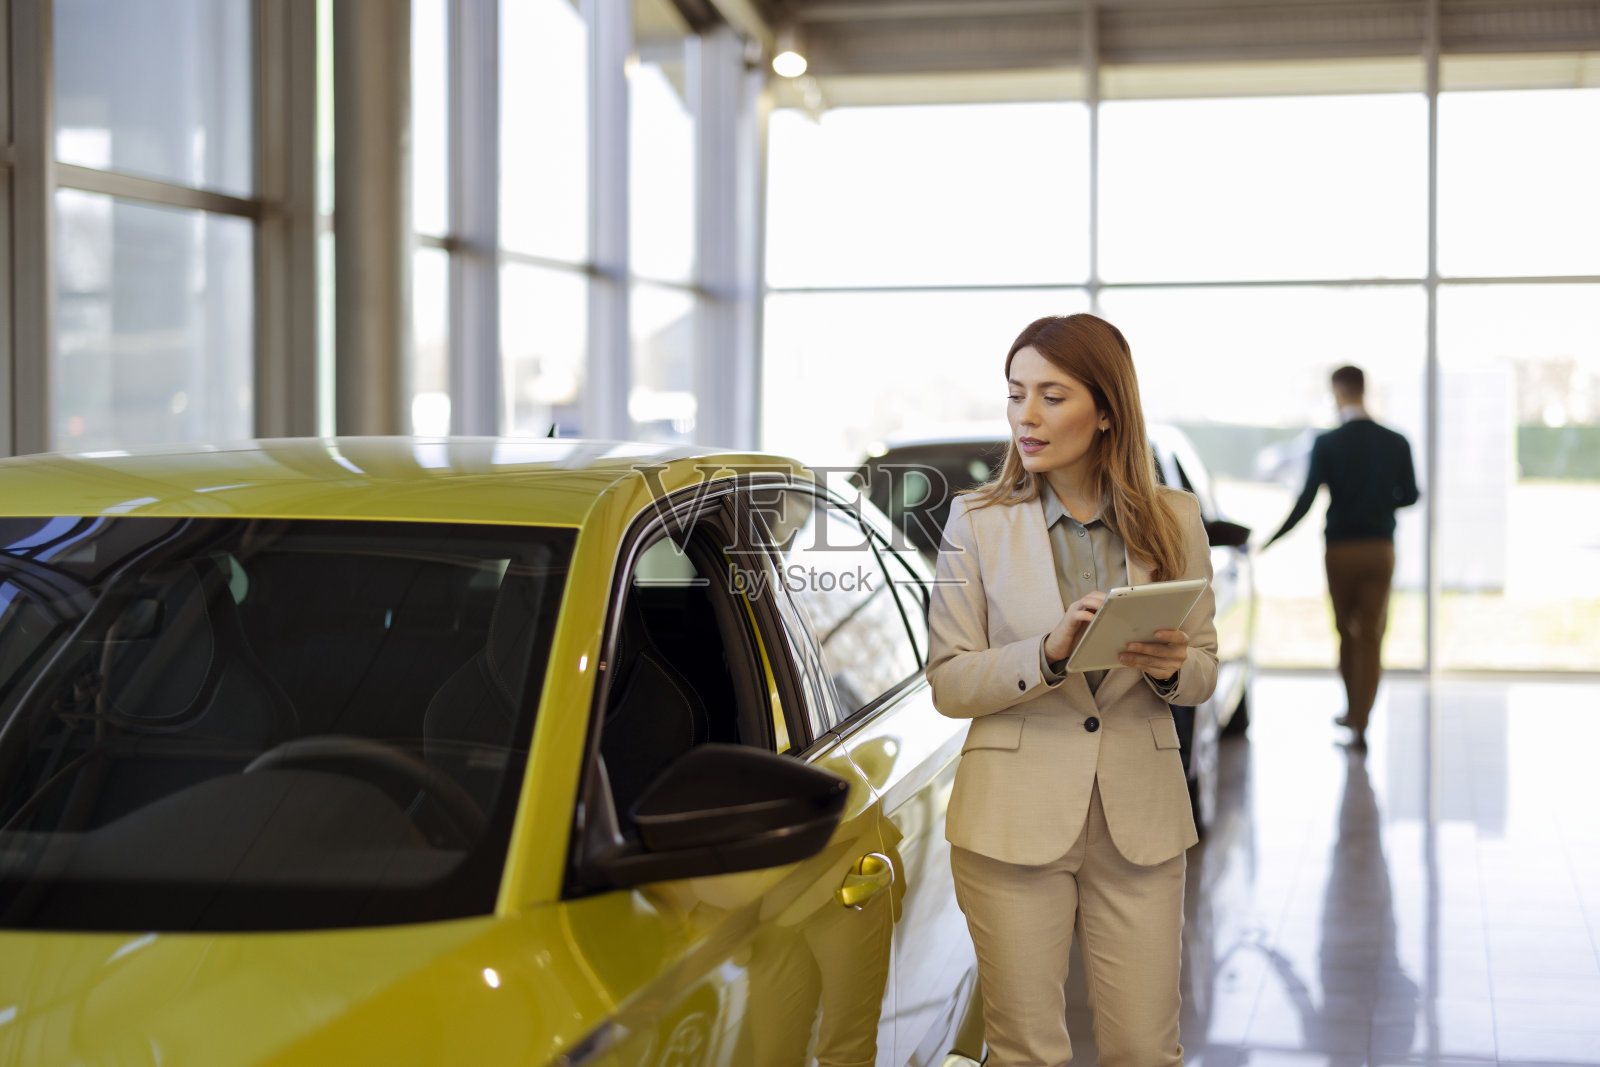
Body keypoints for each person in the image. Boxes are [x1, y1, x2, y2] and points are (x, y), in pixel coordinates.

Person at [926, 313, 1218, 1067]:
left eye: (1052, 395)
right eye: (1016, 393)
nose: (1027, 415)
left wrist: (1169, 665)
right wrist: (1047, 653)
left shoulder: (1174, 520)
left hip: (1141, 824)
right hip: (1011, 823)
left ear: (1108, 408)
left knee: (1146, 1052)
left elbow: (1206, 669)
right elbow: (950, 681)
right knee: (1025, 1052)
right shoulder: (976, 523)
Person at [1263, 365, 1419, 749]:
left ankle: (1354, 713)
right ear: (1364, 390)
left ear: (1338, 393)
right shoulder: (1397, 441)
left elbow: (1306, 500)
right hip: (1380, 550)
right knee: (1371, 635)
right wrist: (1381, 502)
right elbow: (1412, 495)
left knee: (1345, 633)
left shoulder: (1328, 443)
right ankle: (1360, 720)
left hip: (1340, 551)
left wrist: (1270, 540)